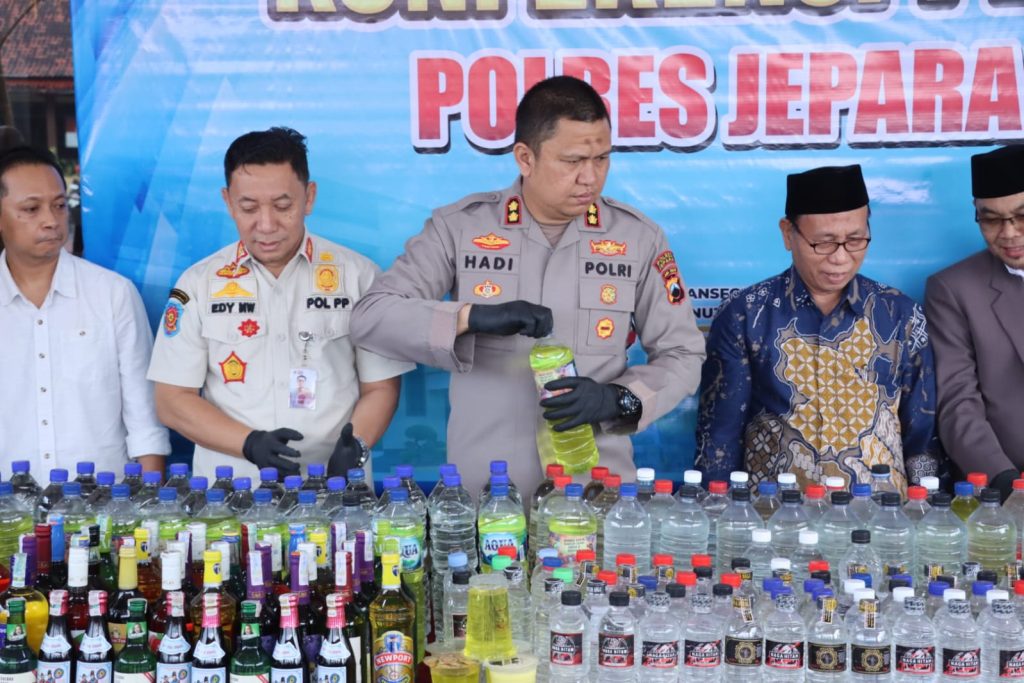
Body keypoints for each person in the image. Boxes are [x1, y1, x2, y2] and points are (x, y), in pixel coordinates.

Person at [349, 76, 706, 497]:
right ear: (525, 157)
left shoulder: (638, 238)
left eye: (602, 159)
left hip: (594, 492)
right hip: (486, 495)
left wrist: (618, 399)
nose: (590, 178)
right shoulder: (460, 228)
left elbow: (683, 353)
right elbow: (371, 316)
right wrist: (470, 317)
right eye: (573, 161)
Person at [147, 127, 413, 480]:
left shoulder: (358, 276)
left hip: (334, 486)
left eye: (283, 206)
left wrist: (356, 447)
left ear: (309, 197)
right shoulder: (198, 284)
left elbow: (381, 386)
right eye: (248, 208)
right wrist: (249, 444)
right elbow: (171, 399)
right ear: (228, 202)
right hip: (231, 491)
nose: (266, 224)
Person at [694, 164, 941, 493]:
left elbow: (922, 435)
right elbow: (719, 438)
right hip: (775, 512)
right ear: (788, 233)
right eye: (823, 243)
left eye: (855, 240)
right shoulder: (745, 315)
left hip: (881, 513)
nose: (840, 258)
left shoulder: (900, 315)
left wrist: (927, 505)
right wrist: (716, 509)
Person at [0, 127, 170, 475]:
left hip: (104, 501)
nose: (51, 221)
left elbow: (146, 423)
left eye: (59, 205)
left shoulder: (112, 294)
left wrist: (151, 499)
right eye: (31, 209)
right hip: (9, 504)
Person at [925, 145, 1024, 499]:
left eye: (1021, 216)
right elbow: (957, 401)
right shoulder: (954, 289)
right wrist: (1004, 482)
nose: (1009, 233)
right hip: (1010, 487)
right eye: (991, 219)